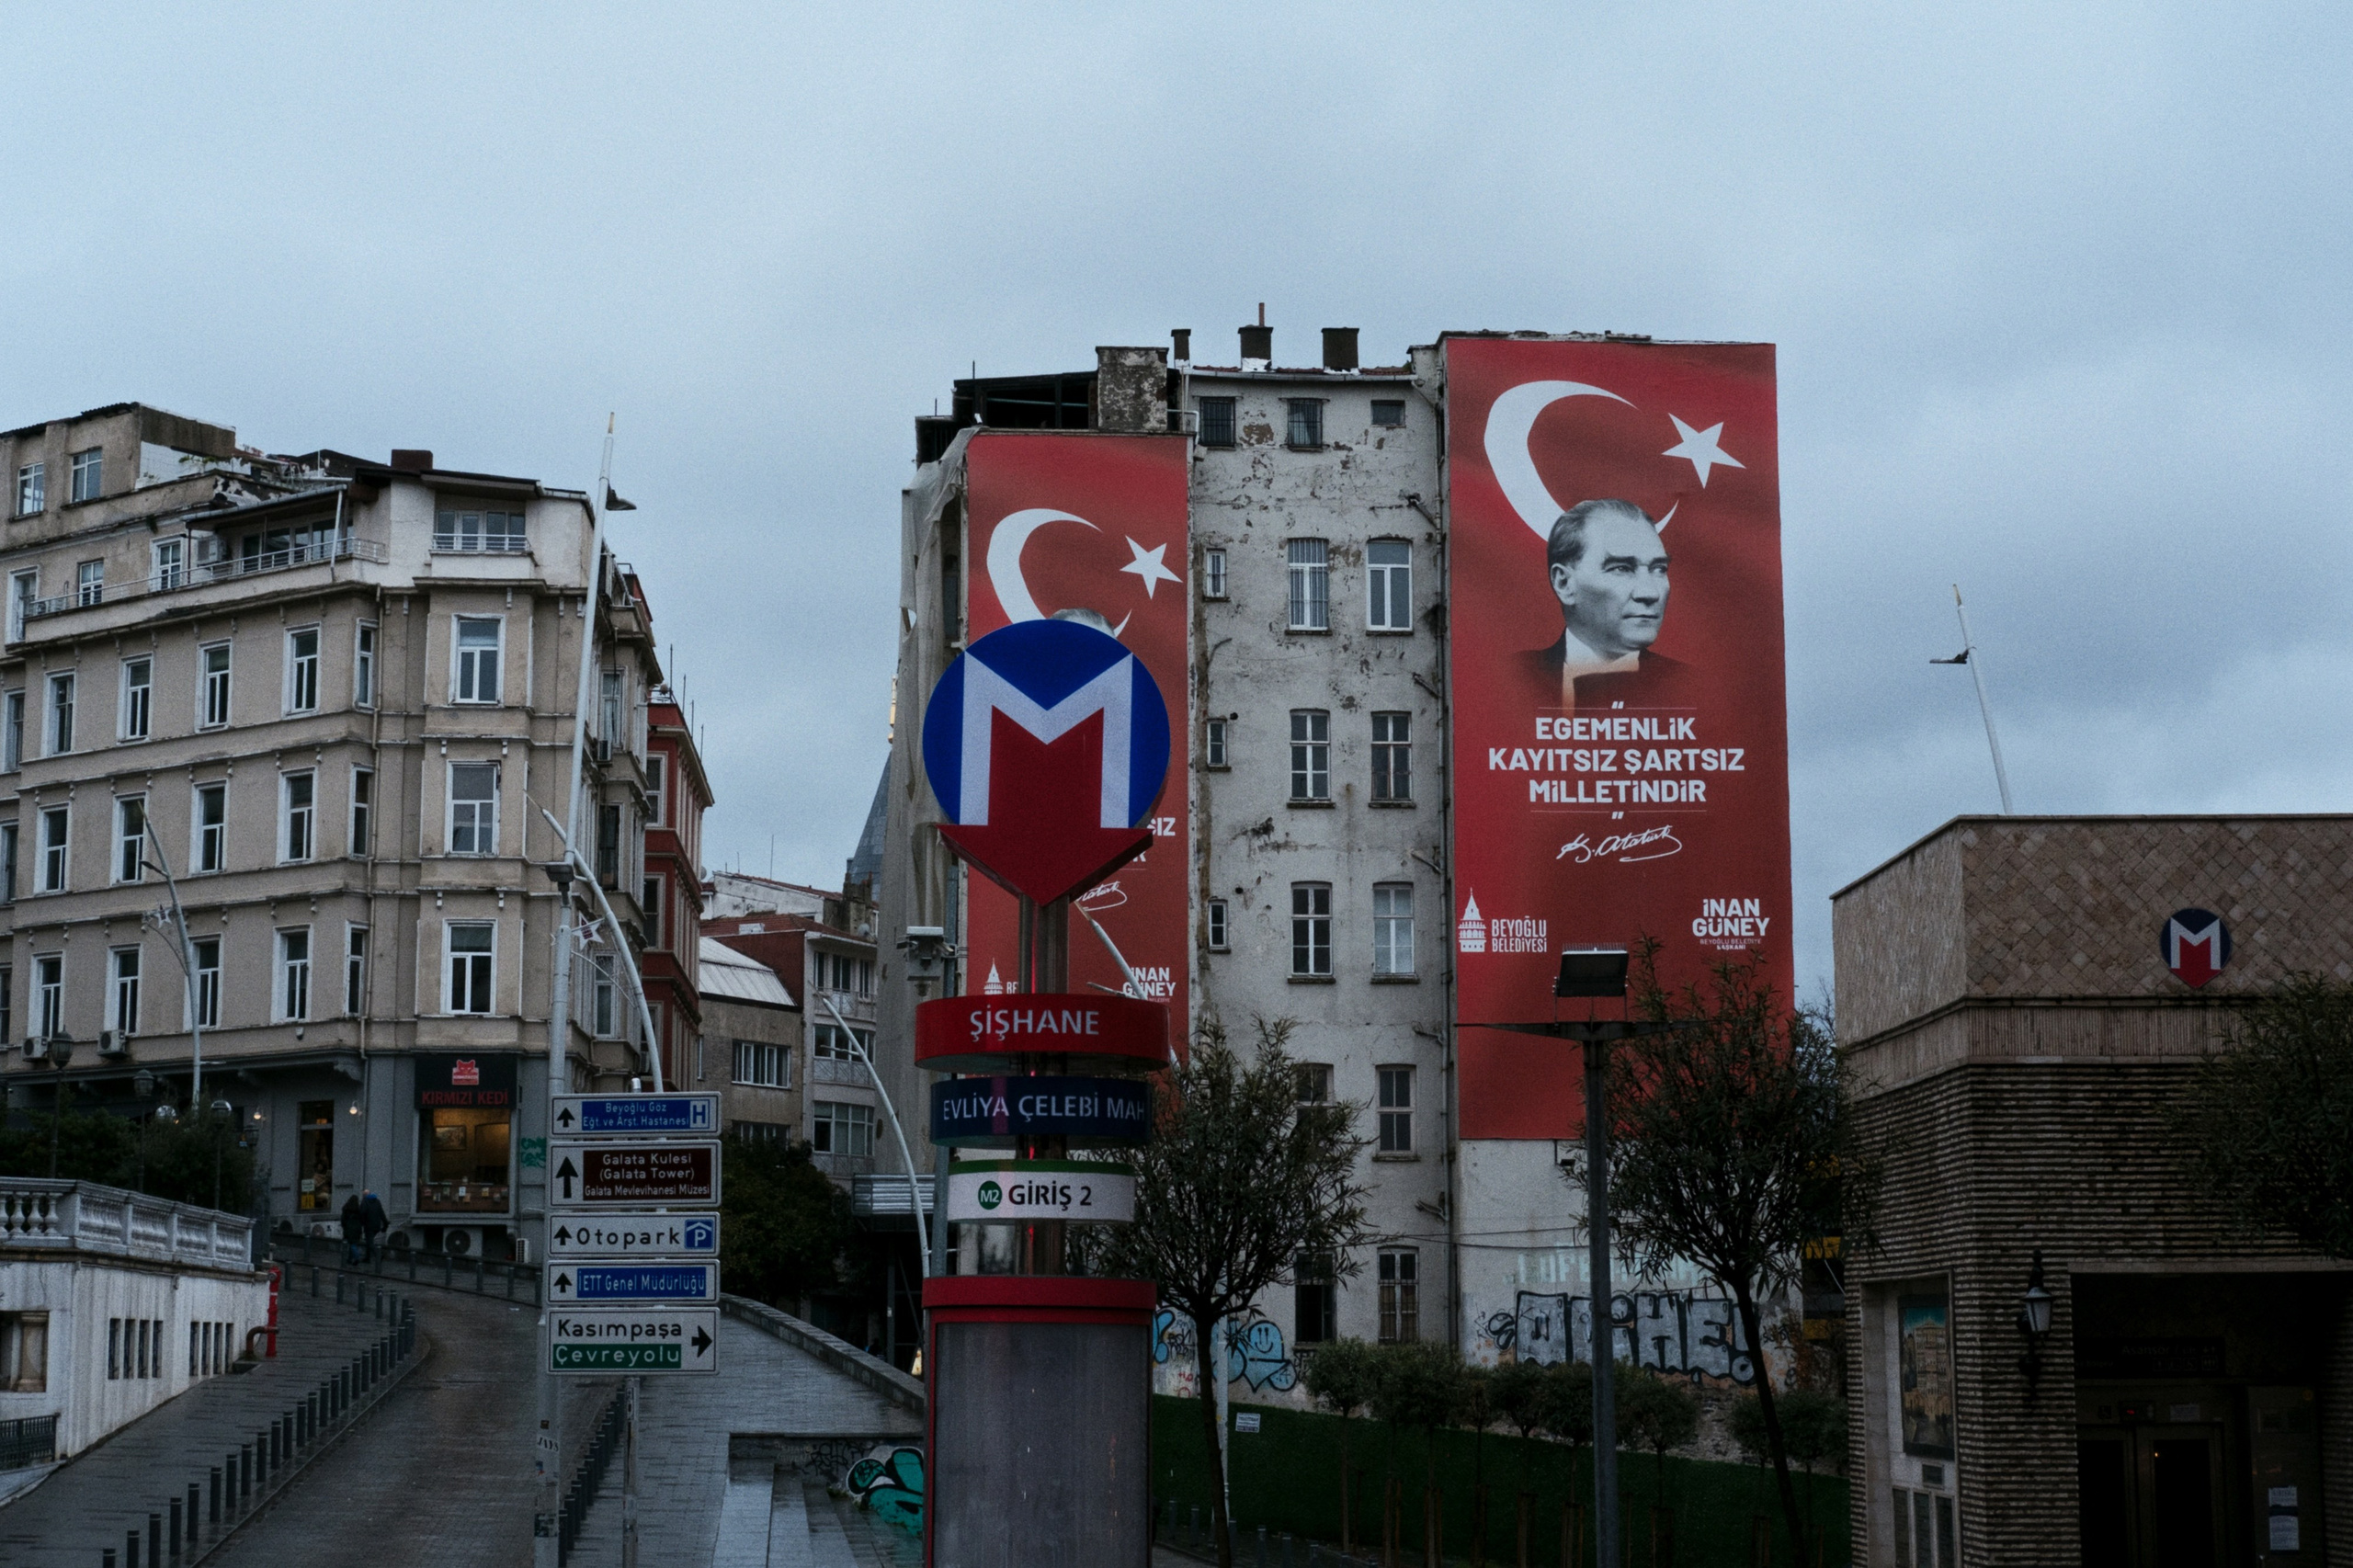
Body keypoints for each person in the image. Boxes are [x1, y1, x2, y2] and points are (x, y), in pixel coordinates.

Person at [1524, 498, 1695, 709]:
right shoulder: (1507, 679)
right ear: (1565, 583)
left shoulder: (1696, 689)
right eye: (1621, 568)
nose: (1650, 593)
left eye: (1658, 569)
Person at [360, 1188, 389, 1264]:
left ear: (365, 1195)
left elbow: (362, 1213)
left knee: (370, 1242)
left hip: (368, 1225)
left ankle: (378, 1254)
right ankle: (367, 1258)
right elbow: (382, 1213)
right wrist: (385, 1224)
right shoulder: (377, 1201)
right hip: (377, 1225)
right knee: (369, 1241)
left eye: (363, 1194)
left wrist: (361, 1223)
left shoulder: (364, 1202)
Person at [339, 1192, 365, 1267]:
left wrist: (345, 1226)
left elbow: (343, 1219)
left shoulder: (346, 1209)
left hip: (349, 1228)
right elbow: (362, 1220)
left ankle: (357, 1257)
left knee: (351, 1244)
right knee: (353, 1243)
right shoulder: (358, 1209)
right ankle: (350, 1259)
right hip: (357, 1229)